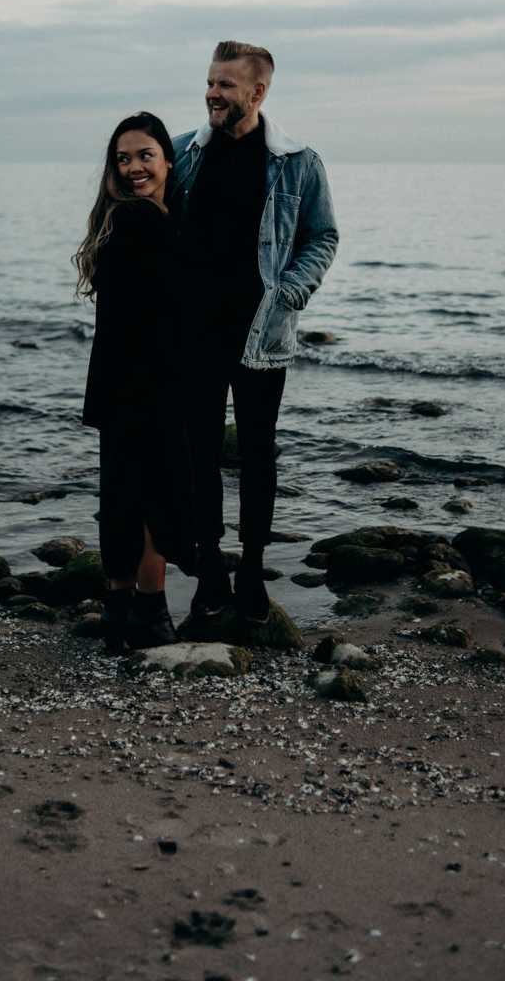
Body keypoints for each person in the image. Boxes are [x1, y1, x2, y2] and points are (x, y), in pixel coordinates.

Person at [171, 40, 337, 629]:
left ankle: (253, 573)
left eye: (225, 85)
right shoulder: (183, 155)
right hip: (192, 333)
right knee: (200, 455)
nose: (212, 94)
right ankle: (210, 569)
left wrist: (290, 292)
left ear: (257, 92)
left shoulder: (298, 162)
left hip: (260, 336)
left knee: (259, 455)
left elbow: (323, 236)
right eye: (210, 83)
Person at [75, 112, 199, 655]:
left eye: (144, 155)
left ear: (169, 159)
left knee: (122, 495)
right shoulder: (146, 221)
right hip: (150, 379)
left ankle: (117, 611)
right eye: (123, 159)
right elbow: (176, 307)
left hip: (118, 378)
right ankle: (149, 611)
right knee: (158, 496)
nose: (132, 168)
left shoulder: (122, 220)